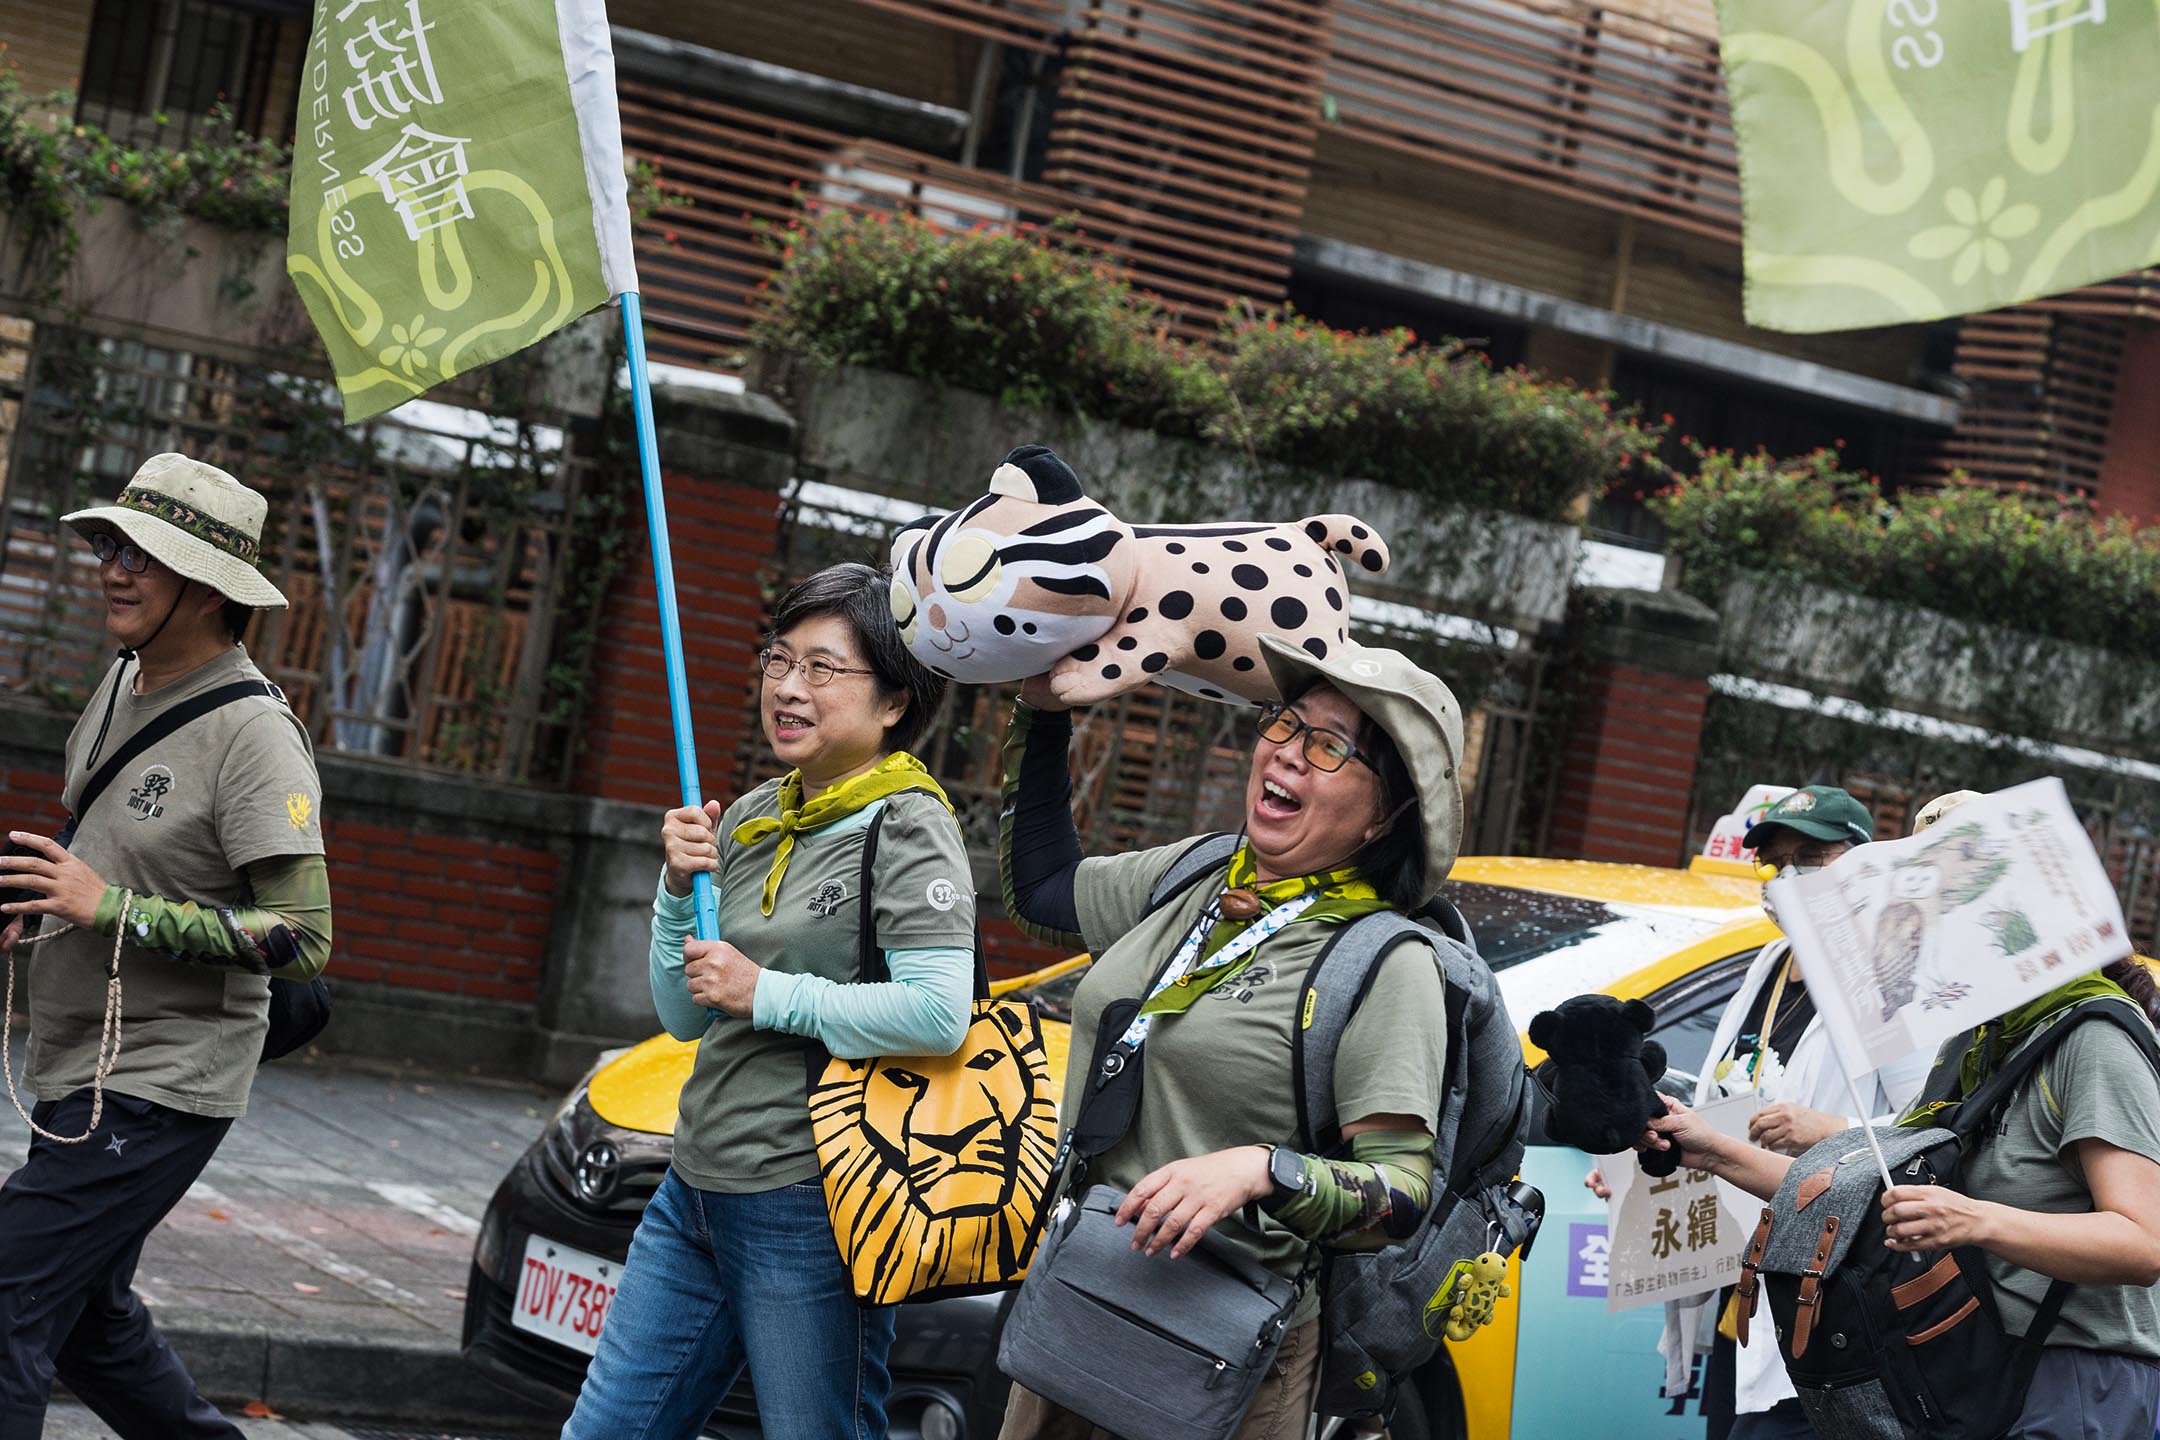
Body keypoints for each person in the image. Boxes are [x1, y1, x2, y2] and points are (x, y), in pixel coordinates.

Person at [996, 635, 1464, 1439]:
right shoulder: (1203, 876)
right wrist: (1041, 717)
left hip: (1222, 1359)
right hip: (1080, 1302)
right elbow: (1038, 888)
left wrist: (1262, 1171)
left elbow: (1399, 1198)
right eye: (1286, 724)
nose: (1287, 755)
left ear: (1386, 813)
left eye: (1329, 747)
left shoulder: (1384, 961)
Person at [560, 561, 977, 1440]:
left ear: (895, 700)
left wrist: (768, 991)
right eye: (778, 660)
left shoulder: (908, 824)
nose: (789, 688)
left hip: (812, 1205)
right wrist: (678, 888)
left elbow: (940, 1014)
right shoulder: (755, 814)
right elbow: (684, 1016)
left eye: (824, 669)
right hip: (693, 1189)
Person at [1644, 791, 2160, 1440]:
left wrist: (1974, 1220)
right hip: (1972, 1369)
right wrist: (1708, 1150)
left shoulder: (2095, 1039)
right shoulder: (1975, 1043)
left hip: (2078, 1381)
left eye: (1954, 901)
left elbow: (2144, 1243)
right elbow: (1859, 1189)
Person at [0, 453, 332, 1440]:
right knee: (88, 1329)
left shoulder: (254, 736)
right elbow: (108, 842)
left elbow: (302, 936)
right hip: (78, 1058)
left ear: (213, 586)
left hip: (163, 1078)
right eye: (109, 544)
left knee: (8, 1294)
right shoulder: (122, 677)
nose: (114, 567)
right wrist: (41, 889)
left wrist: (111, 909)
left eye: (145, 553)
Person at [1590, 785, 1930, 1440]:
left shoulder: (1883, 976)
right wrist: (1646, 1163)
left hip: (1829, 1302)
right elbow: (1724, 1107)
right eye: (1776, 862)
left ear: (1860, 864)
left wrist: (1825, 1132)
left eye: (1812, 857)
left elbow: (1932, 1135)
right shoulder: (1770, 964)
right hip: (1742, 1282)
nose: (1787, 877)